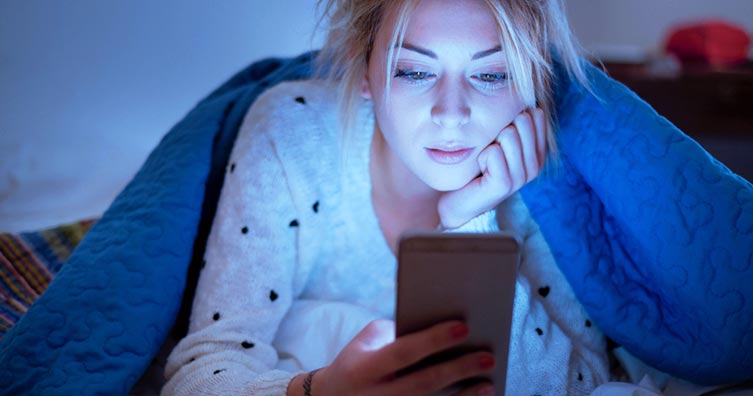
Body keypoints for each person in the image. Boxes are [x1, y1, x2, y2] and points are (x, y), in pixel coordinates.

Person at [162, 0, 608, 395]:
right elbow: (198, 374)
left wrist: (470, 222)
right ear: (364, 73)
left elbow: (587, 384)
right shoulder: (292, 135)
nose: (450, 114)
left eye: (491, 74)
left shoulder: (543, 178)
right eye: (414, 71)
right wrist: (321, 391)